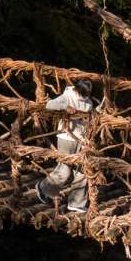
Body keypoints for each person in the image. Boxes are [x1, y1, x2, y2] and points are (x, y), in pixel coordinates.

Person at [37, 77, 99, 213]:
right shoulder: (68, 96)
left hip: (82, 140)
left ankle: (76, 203)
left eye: (88, 93)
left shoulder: (88, 102)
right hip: (67, 138)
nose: (86, 95)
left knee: (83, 171)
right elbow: (49, 105)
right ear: (78, 90)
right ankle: (44, 188)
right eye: (84, 93)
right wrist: (65, 107)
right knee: (65, 171)